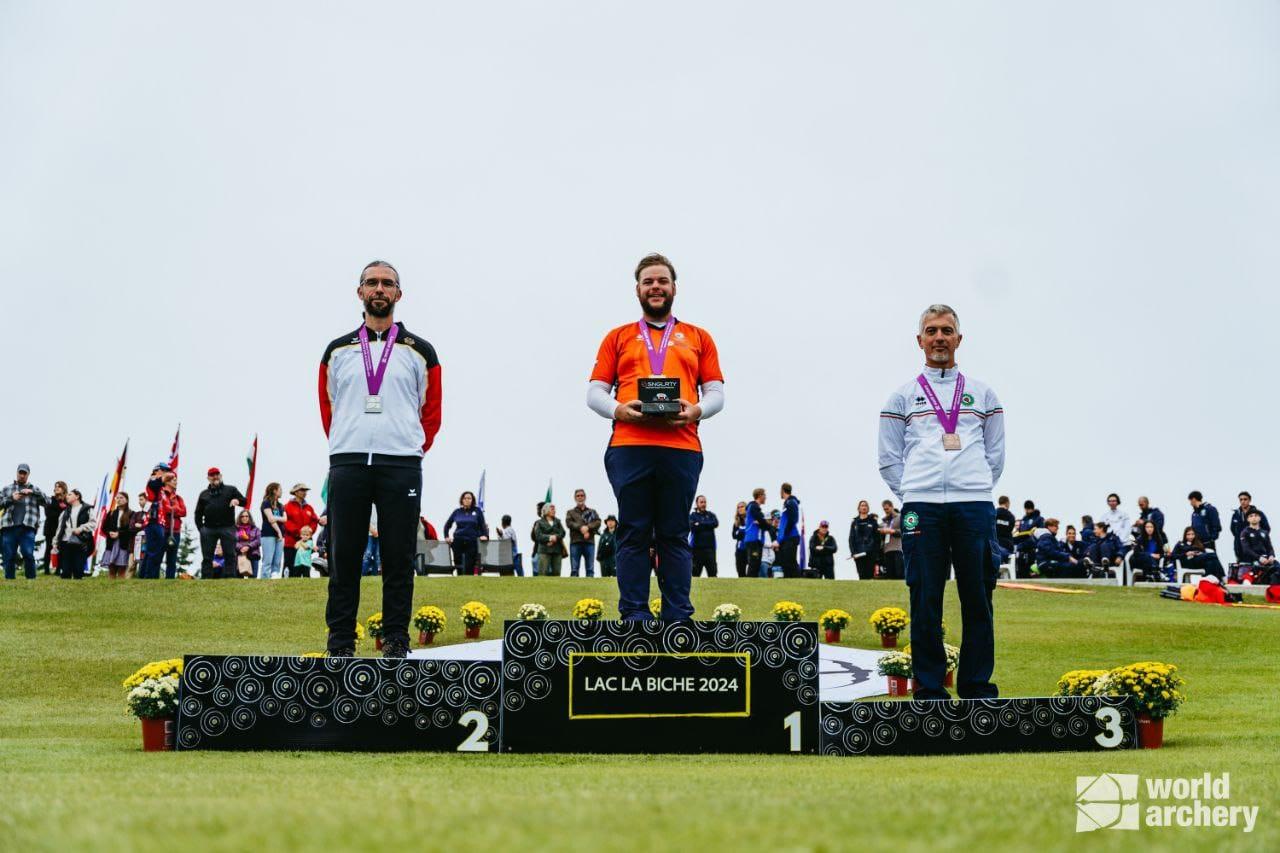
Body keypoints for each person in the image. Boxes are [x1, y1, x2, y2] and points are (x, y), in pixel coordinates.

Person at [586, 252, 724, 620]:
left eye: (662, 281)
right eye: (648, 282)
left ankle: (678, 615)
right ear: (637, 290)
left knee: (674, 532)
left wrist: (696, 410)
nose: (656, 287)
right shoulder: (618, 337)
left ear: (674, 287)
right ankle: (634, 614)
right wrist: (618, 409)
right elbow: (595, 392)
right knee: (633, 530)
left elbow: (716, 394)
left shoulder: (698, 337)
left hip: (681, 447)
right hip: (629, 446)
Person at [878, 303, 1004, 700]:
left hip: (974, 506)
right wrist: (915, 492)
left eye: (946, 330)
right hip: (922, 509)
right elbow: (888, 459)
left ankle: (976, 685)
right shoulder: (901, 397)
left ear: (959, 339)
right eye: (931, 331)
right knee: (925, 597)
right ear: (919, 341)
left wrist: (975, 486)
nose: (938, 338)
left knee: (978, 598)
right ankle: (930, 688)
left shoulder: (983, 394)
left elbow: (995, 455)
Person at [318, 261, 441, 657]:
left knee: (399, 556)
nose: (379, 289)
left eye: (387, 283)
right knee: (344, 556)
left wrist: (411, 446)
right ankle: (340, 642)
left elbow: (431, 411)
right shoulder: (337, 351)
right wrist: (345, 443)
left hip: (401, 462)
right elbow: (328, 407)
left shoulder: (420, 351)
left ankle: (396, 641)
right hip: (349, 461)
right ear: (360, 292)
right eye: (372, 282)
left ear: (398, 295)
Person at [193, 467, 246, 580]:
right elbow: (198, 513)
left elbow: (245, 501)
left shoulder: (231, 490)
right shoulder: (204, 494)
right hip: (208, 529)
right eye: (212, 475)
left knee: (230, 554)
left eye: (217, 474)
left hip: (227, 527)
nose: (215, 477)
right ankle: (206, 578)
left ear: (221, 476)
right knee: (207, 556)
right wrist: (201, 529)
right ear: (208, 478)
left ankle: (230, 577)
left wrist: (238, 501)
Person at [1, 463, 48, 580]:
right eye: (20, 472)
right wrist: (12, 498)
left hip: (27, 527)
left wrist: (33, 493)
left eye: (24, 473)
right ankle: (10, 580)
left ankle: (31, 580)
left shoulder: (34, 489)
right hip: (9, 527)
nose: (22, 475)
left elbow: (47, 502)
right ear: (16, 473)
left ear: (28, 475)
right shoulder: (7, 489)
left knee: (28, 553)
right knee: (9, 555)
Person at [52, 489, 93, 580]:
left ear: (77, 496)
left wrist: (81, 528)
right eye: (67, 495)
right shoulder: (64, 512)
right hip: (65, 542)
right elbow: (60, 528)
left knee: (78, 572)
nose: (67, 496)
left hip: (80, 542)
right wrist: (55, 542)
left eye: (70, 494)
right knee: (65, 572)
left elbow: (93, 523)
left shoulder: (87, 509)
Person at [443, 491, 487, 577]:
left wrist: (485, 535)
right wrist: (446, 536)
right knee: (458, 564)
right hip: (458, 541)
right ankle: (459, 581)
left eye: (469, 498)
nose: (467, 500)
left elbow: (483, 525)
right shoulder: (457, 512)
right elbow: (447, 525)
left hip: (472, 542)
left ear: (472, 500)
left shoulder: (477, 511)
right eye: (465, 498)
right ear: (462, 500)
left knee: (469, 566)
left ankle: (469, 582)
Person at [283, 484, 322, 578]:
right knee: (290, 566)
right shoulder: (287, 506)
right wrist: (298, 532)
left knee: (305, 566)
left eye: (305, 490)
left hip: (307, 543)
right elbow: (285, 521)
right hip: (291, 543)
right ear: (295, 492)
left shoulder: (309, 507)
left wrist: (309, 532)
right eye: (302, 490)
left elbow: (314, 520)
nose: (305, 492)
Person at [565, 489, 602, 578]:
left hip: (589, 542)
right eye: (578, 496)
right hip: (575, 542)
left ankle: (591, 589)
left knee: (590, 569)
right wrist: (581, 528)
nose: (580, 497)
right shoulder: (570, 512)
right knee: (574, 569)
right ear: (575, 498)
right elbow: (569, 523)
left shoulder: (592, 512)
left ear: (585, 497)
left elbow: (598, 522)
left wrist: (588, 527)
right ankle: (574, 589)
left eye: (582, 495)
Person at [99, 492, 134, 579]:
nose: (119, 500)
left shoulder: (132, 514)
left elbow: (131, 530)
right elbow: (104, 528)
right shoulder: (111, 513)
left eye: (121, 498)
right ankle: (110, 587)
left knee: (122, 568)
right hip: (111, 543)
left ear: (126, 500)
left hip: (124, 544)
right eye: (117, 498)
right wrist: (109, 533)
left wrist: (119, 534)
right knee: (111, 567)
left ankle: (120, 587)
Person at [1237, 508, 1278, 582]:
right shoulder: (1245, 532)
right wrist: (1259, 558)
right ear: (1248, 519)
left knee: (1277, 567)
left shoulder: (1264, 532)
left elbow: (1269, 547)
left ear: (1260, 518)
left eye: (1256, 515)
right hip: (1253, 560)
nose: (1254, 517)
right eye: (1251, 516)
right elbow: (1246, 549)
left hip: (1266, 559)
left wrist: (1271, 556)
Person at [1231, 491, 1270, 564]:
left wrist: (1257, 539)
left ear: (1249, 500)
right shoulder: (1236, 515)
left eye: (1245, 499)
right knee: (1243, 572)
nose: (1243, 501)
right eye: (1241, 499)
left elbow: (1266, 529)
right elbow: (1233, 530)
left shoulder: (1258, 513)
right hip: (1240, 549)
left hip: (1256, 551)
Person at [772, 483, 801, 579]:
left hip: (791, 537)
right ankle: (790, 583)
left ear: (782, 490)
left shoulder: (791, 502)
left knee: (790, 562)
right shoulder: (787, 503)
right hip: (787, 538)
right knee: (786, 562)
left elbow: (793, 520)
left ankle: (797, 582)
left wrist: (784, 535)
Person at [258, 483, 287, 579]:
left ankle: (275, 578)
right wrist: (278, 531)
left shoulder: (281, 505)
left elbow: (285, 519)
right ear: (274, 490)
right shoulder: (266, 503)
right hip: (268, 535)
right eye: (280, 489)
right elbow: (270, 520)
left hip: (281, 536)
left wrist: (275, 518)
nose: (281, 491)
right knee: (268, 560)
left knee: (277, 560)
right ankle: (264, 579)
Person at [40, 480, 69, 575]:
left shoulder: (67, 501)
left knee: (61, 549)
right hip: (50, 528)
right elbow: (49, 514)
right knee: (49, 548)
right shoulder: (50, 500)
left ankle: (58, 570)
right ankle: (46, 570)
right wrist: (60, 509)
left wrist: (60, 509)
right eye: (55, 486)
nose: (56, 488)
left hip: (62, 529)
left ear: (64, 489)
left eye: (59, 486)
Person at [848, 500, 880, 580]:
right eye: (862, 505)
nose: (864, 507)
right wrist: (853, 552)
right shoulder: (854, 522)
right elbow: (851, 539)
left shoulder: (873, 521)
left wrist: (876, 552)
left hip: (870, 552)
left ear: (868, 508)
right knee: (861, 575)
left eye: (865, 505)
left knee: (869, 575)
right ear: (859, 508)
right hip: (858, 553)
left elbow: (877, 538)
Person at [688, 495, 719, 577]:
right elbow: (693, 527)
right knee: (695, 574)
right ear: (697, 503)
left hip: (710, 549)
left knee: (713, 573)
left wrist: (700, 524)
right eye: (701, 502)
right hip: (697, 550)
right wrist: (707, 525)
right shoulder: (693, 516)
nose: (703, 504)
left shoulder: (711, 515)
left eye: (705, 502)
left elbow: (715, 523)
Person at [533, 502, 566, 577]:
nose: (554, 511)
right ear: (546, 510)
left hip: (557, 550)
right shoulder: (539, 523)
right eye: (552, 509)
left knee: (557, 573)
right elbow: (538, 536)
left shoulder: (558, 522)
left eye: (554, 509)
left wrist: (556, 537)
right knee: (543, 573)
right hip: (544, 551)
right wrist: (550, 538)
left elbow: (563, 532)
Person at [1012, 500, 1043, 576]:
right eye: (1026, 509)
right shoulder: (1024, 519)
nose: (1027, 510)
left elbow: (1040, 533)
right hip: (1022, 548)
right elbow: (1020, 532)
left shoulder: (1039, 519)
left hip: (1033, 548)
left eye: (1029, 509)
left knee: (1032, 570)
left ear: (1032, 509)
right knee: (1021, 570)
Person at [743, 489, 769, 578]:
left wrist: (763, 523)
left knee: (757, 564)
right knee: (753, 563)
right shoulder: (753, 507)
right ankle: (748, 585)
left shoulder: (757, 509)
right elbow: (763, 522)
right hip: (752, 539)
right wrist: (764, 523)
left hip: (757, 541)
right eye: (764, 495)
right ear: (760, 495)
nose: (765, 497)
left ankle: (752, 585)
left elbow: (763, 524)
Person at [1188, 491, 1222, 556]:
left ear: (1194, 499)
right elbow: (1193, 528)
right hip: (1197, 544)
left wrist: (1211, 538)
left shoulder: (1210, 509)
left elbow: (1217, 525)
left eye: (1190, 501)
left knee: (1210, 562)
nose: (1190, 503)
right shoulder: (1194, 514)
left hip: (1208, 543)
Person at [878, 500, 903, 579]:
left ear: (892, 507)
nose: (886, 511)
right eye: (884, 509)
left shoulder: (900, 517)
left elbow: (905, 532)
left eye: (887, 509)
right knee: (890, 574)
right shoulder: (883, 522)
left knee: (899, 573)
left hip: (898, 548)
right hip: (887, 550)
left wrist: (892, 531)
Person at [235, 509, 261, 578]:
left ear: (249, 517)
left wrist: (248, 546)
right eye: (242, 516)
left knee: (253, 578)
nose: (244, 518)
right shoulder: (235, 529)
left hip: (253, 554)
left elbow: (258, 540)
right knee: (238, 578)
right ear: (239, 518)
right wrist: (241, 547)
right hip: (239, 555)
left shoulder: (256, 529)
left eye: (247, 516)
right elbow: (233, 541)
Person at [994, 495, 1016, 561]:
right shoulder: (1011, 516)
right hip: (1007, 546)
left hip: (994, 546)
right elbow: (1010, 529)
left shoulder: (993, 513)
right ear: (1007, 503)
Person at [731, 502, 748, 577]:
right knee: (741, 573)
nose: (740, 509)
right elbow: (734, 536)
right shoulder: (736, 522)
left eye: (742, 506)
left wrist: (741, 532)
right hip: (740, 550)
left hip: (750, 549)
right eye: (738, 507)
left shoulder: (750, 520)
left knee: (752, 573)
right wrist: (742, 531)